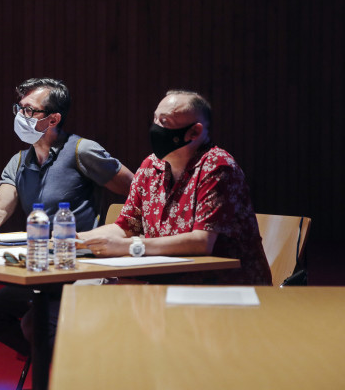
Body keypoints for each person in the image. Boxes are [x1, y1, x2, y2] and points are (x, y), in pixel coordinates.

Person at [0, 78, 133, 356]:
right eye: (19, 108)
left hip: (82, 266)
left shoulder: (81, 150)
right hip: (43, 267)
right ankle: (51, 364)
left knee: (35, 324)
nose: (21, 116)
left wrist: (117, 237)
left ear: (53, 119)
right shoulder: (20, 162)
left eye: (29, 110)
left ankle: (69, 368)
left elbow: (137, 191)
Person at [79, 90, 272, 285]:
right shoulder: (150, 166)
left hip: (223, 286)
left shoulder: (217, 166)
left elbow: (202, 242)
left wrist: (129, 246)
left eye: (164, 122)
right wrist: (75, 240)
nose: (155, 127)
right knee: (87, 287)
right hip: (165, 280)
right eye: (155, 119)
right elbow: (125, 227)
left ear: (194, 132)